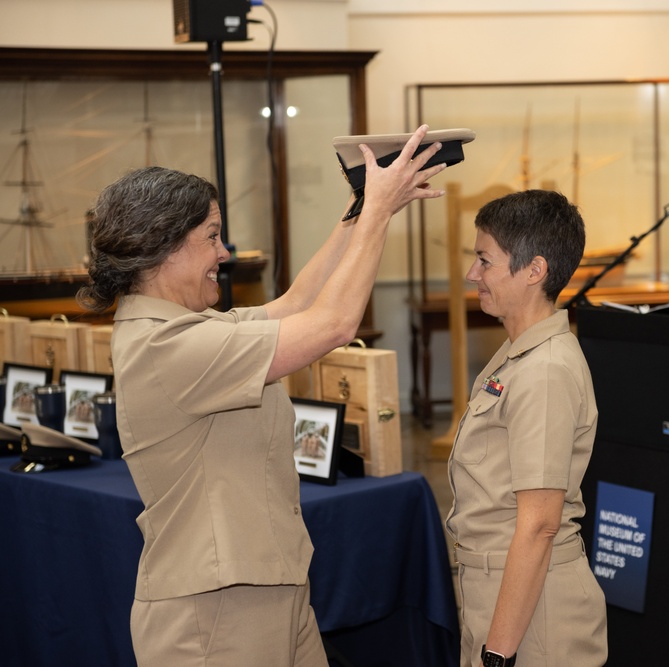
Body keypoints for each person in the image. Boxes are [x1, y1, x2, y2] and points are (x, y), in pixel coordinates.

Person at [76, 126, 448, 667]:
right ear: (165, 247)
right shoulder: (169, 345)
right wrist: (375, 217)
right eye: (211, 235)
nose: (223, 254)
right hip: (218, 611)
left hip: (268, 588)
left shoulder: (186, 329)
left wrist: (365, 208)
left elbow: (301, 304)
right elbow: (335, 324)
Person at [446, 190, 608, 667]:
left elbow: (538, 525)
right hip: (502, 593)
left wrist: (497, 652)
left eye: (484, 260)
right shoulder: (518, 352)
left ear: (534, 270)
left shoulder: (544, 370)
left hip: (534, 614)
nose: (473, 274)